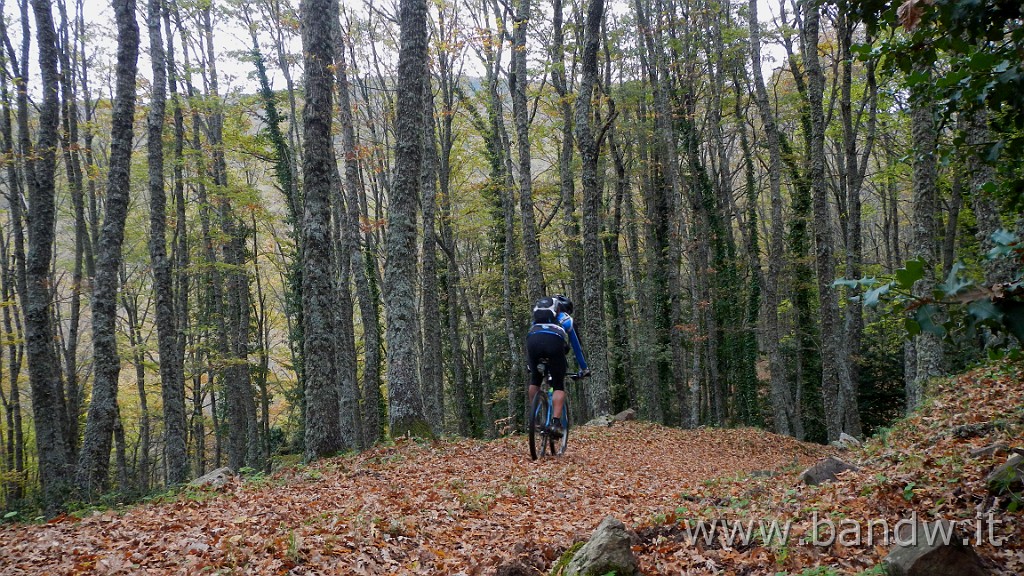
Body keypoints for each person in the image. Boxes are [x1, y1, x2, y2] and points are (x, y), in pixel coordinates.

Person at [526, 294, 590, 437]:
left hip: (533, 340)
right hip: (553, 343)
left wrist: (530, 364)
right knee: (558, 385)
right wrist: (584, 368)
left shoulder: (536, 319)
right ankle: (555, 423)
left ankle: (534, 418)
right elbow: (577, 348)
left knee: (535, 379)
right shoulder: (567, 320)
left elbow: (532, 337)